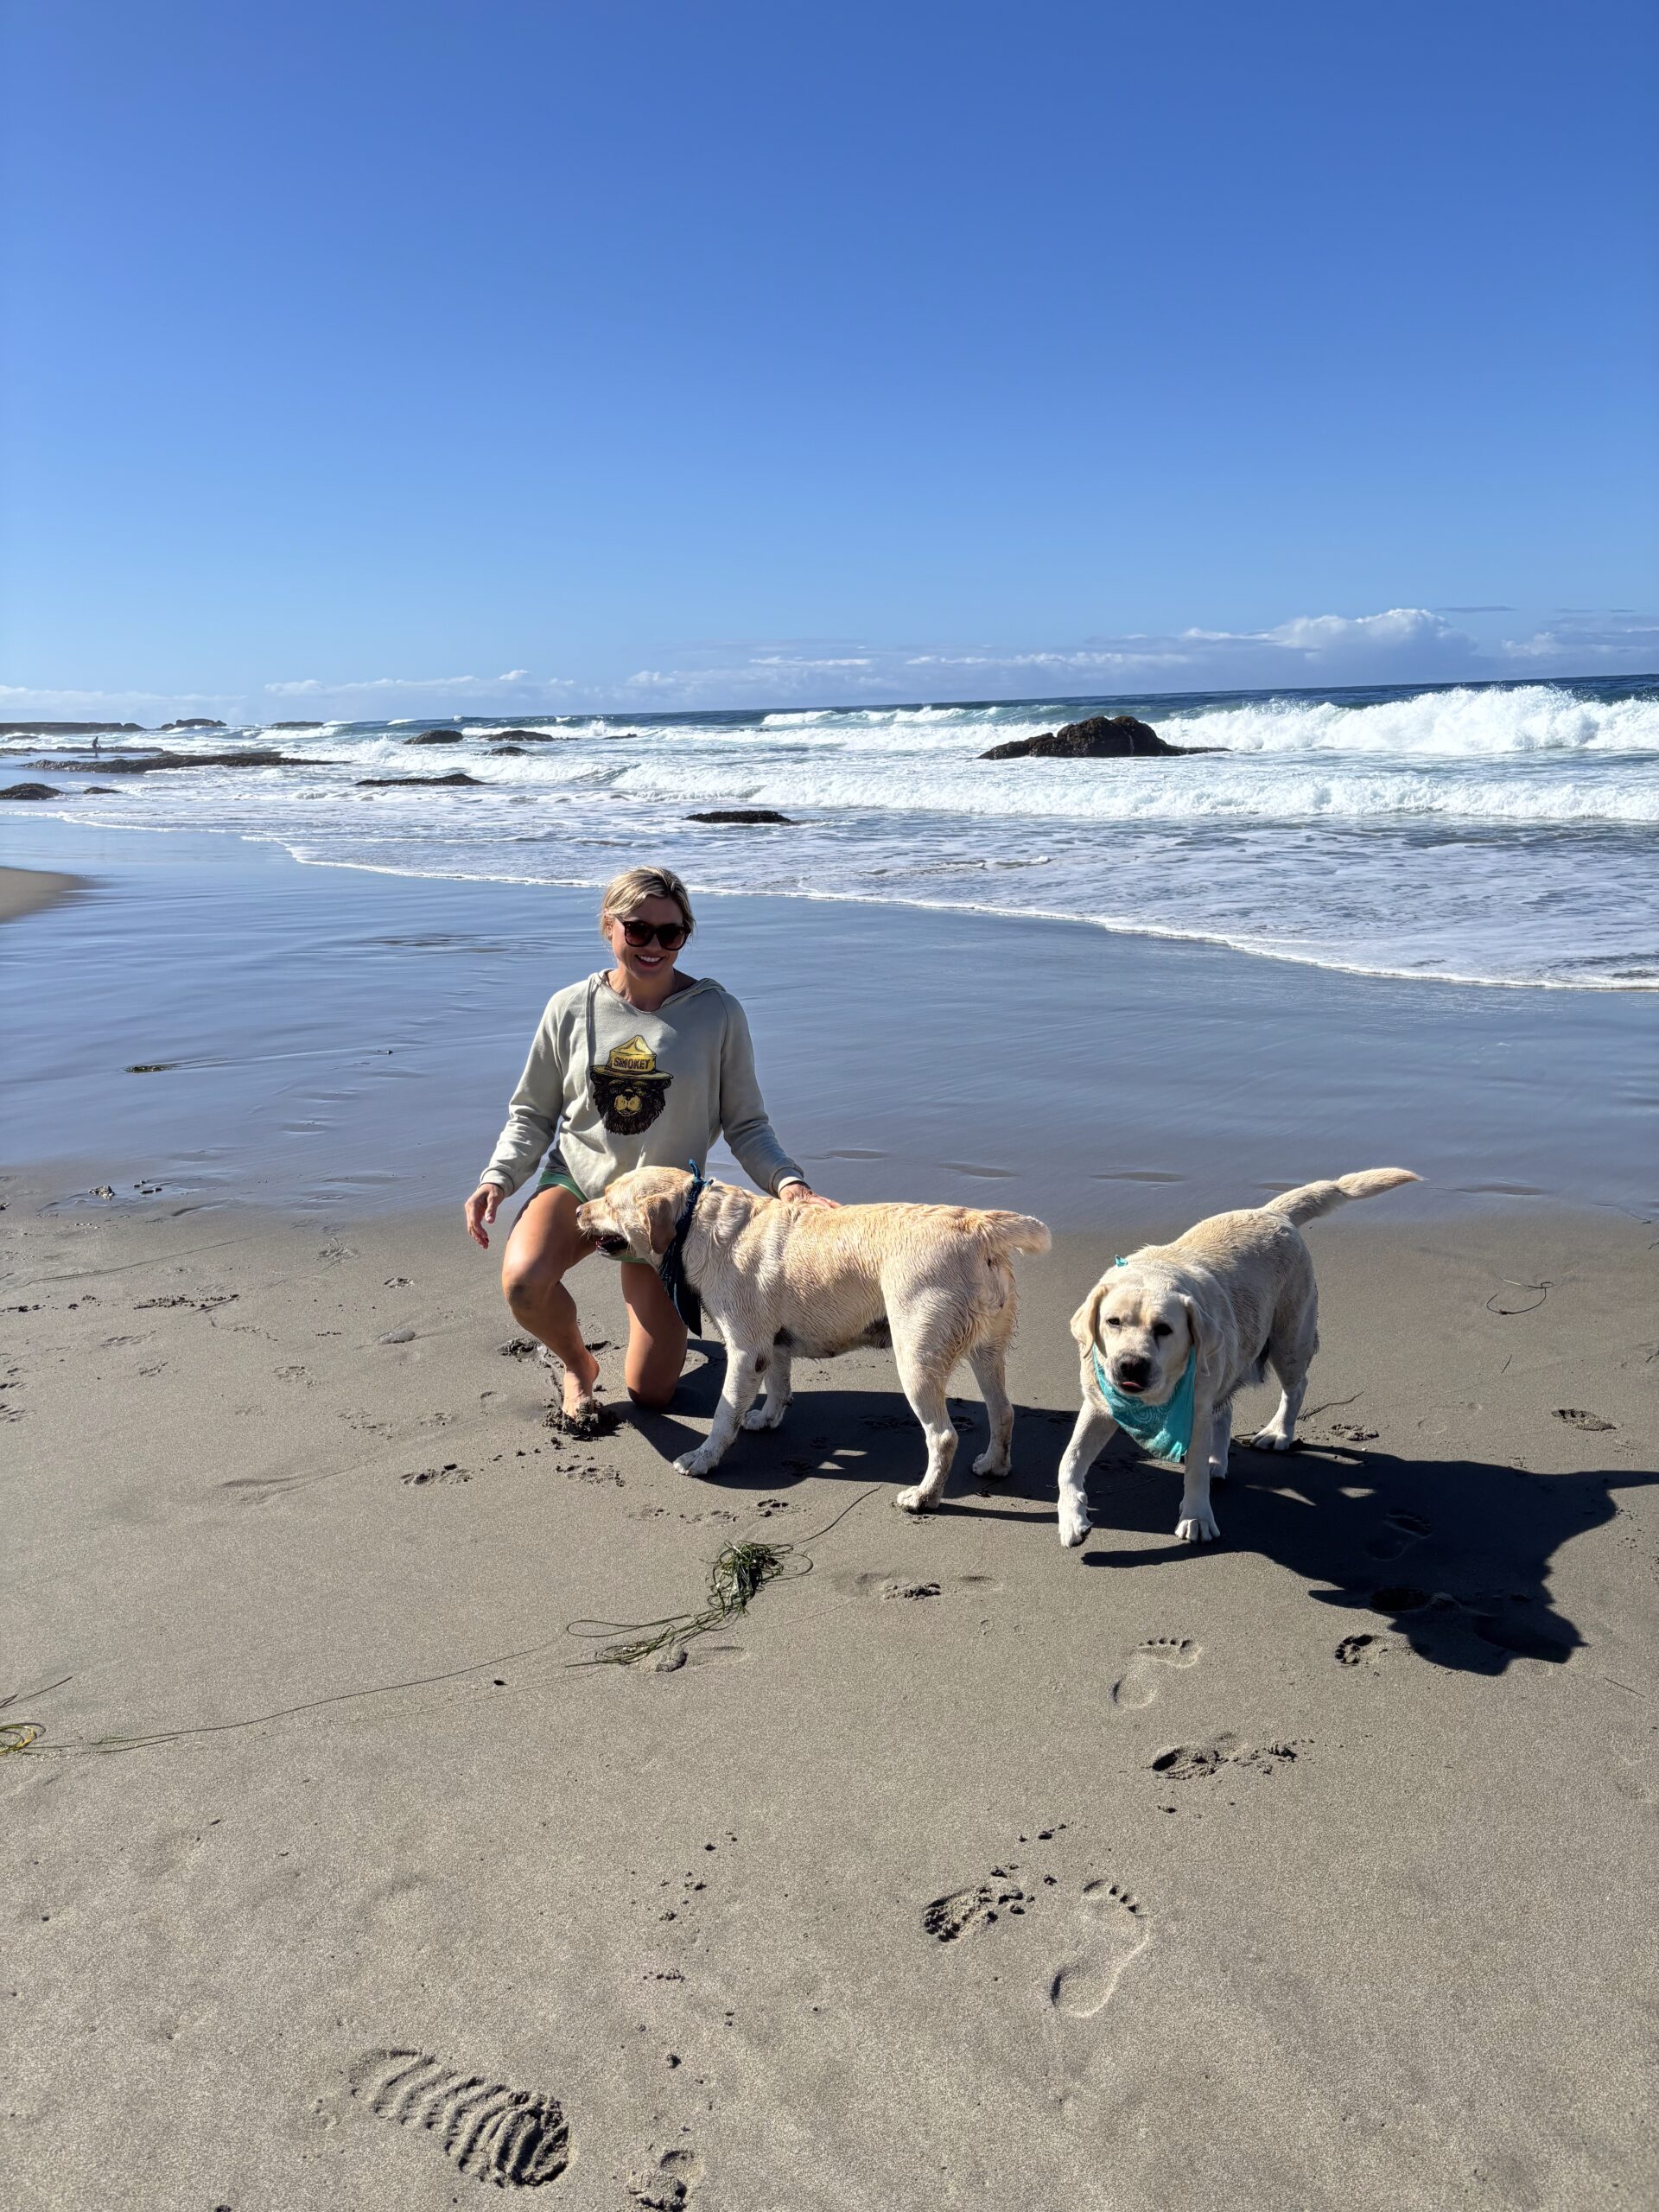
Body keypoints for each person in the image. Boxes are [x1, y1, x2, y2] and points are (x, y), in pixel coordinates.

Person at [464, 864, 834, 1422]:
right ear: (609, 926)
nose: (654, 945)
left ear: (686, 934)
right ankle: (578, 1365)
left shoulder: (718, 1014)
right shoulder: (570, 1007)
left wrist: (789, 1183)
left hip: (662, 1210)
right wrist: (499, 1177)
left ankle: (657, 1321)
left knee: (652, 1392)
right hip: (580, 1183)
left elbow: (746, 1124)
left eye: (671, 932)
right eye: (638, 929)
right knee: (523, 1283)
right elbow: (533, 1113)